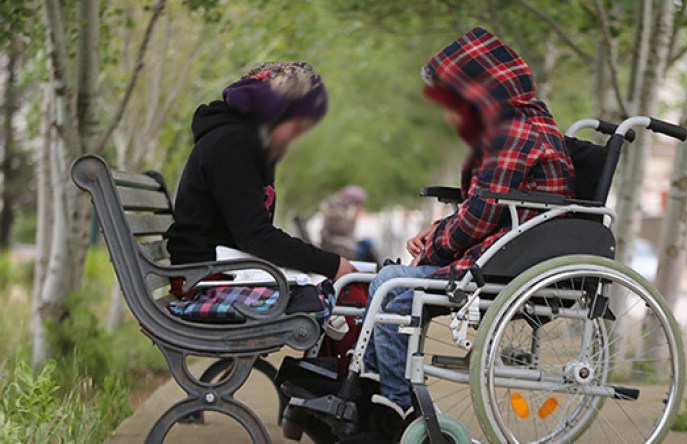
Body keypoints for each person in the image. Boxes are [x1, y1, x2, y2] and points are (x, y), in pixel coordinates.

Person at [355, 27, 576, 441]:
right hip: (505, 252)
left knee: (391, 285)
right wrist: (437, 230)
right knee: (389, 283)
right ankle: (368, 400)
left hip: (509, 264)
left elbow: (480, 216)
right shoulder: (516, 124)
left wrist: (433, 250)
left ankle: (393, 410)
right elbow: (485, 206)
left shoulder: (512, 133)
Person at [165, 61, 356, 316]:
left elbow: (253, 235)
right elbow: (256, 236)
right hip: (204, 279)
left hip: (225, 270)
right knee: (343, 295)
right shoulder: (232, 145)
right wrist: (332, 264)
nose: (297, 135)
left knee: (341, 292)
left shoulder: (249, 144)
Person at [320, 185, 368, 259]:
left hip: (340, 242)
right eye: (358, 203)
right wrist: (352, 218)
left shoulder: (346, 208)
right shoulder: (335, 208)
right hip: (334, 243)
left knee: (368, 243)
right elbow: (339, 229)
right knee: (364, 249)